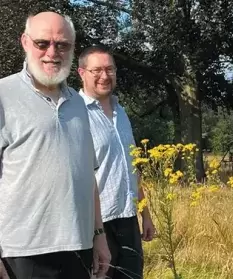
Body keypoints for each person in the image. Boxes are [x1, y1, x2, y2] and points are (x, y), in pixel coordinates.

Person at [0, 12, 111, 279]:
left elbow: (88, 176)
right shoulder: (3, 94)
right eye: (42, 43)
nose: (53, 52)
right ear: (25, 42)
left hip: (78, 248)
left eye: (62, 45)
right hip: (21, 253)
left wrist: (98, 235)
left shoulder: (78, 104)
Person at [77, 45, 155, 279]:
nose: (105, 76)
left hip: (128, 218)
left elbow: (130, 167)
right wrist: (94, 231)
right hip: (97, 225)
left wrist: (145, 213)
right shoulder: (76, 114)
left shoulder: (121, 112)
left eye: (110, 69)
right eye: (97, 70)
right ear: (82, 73)